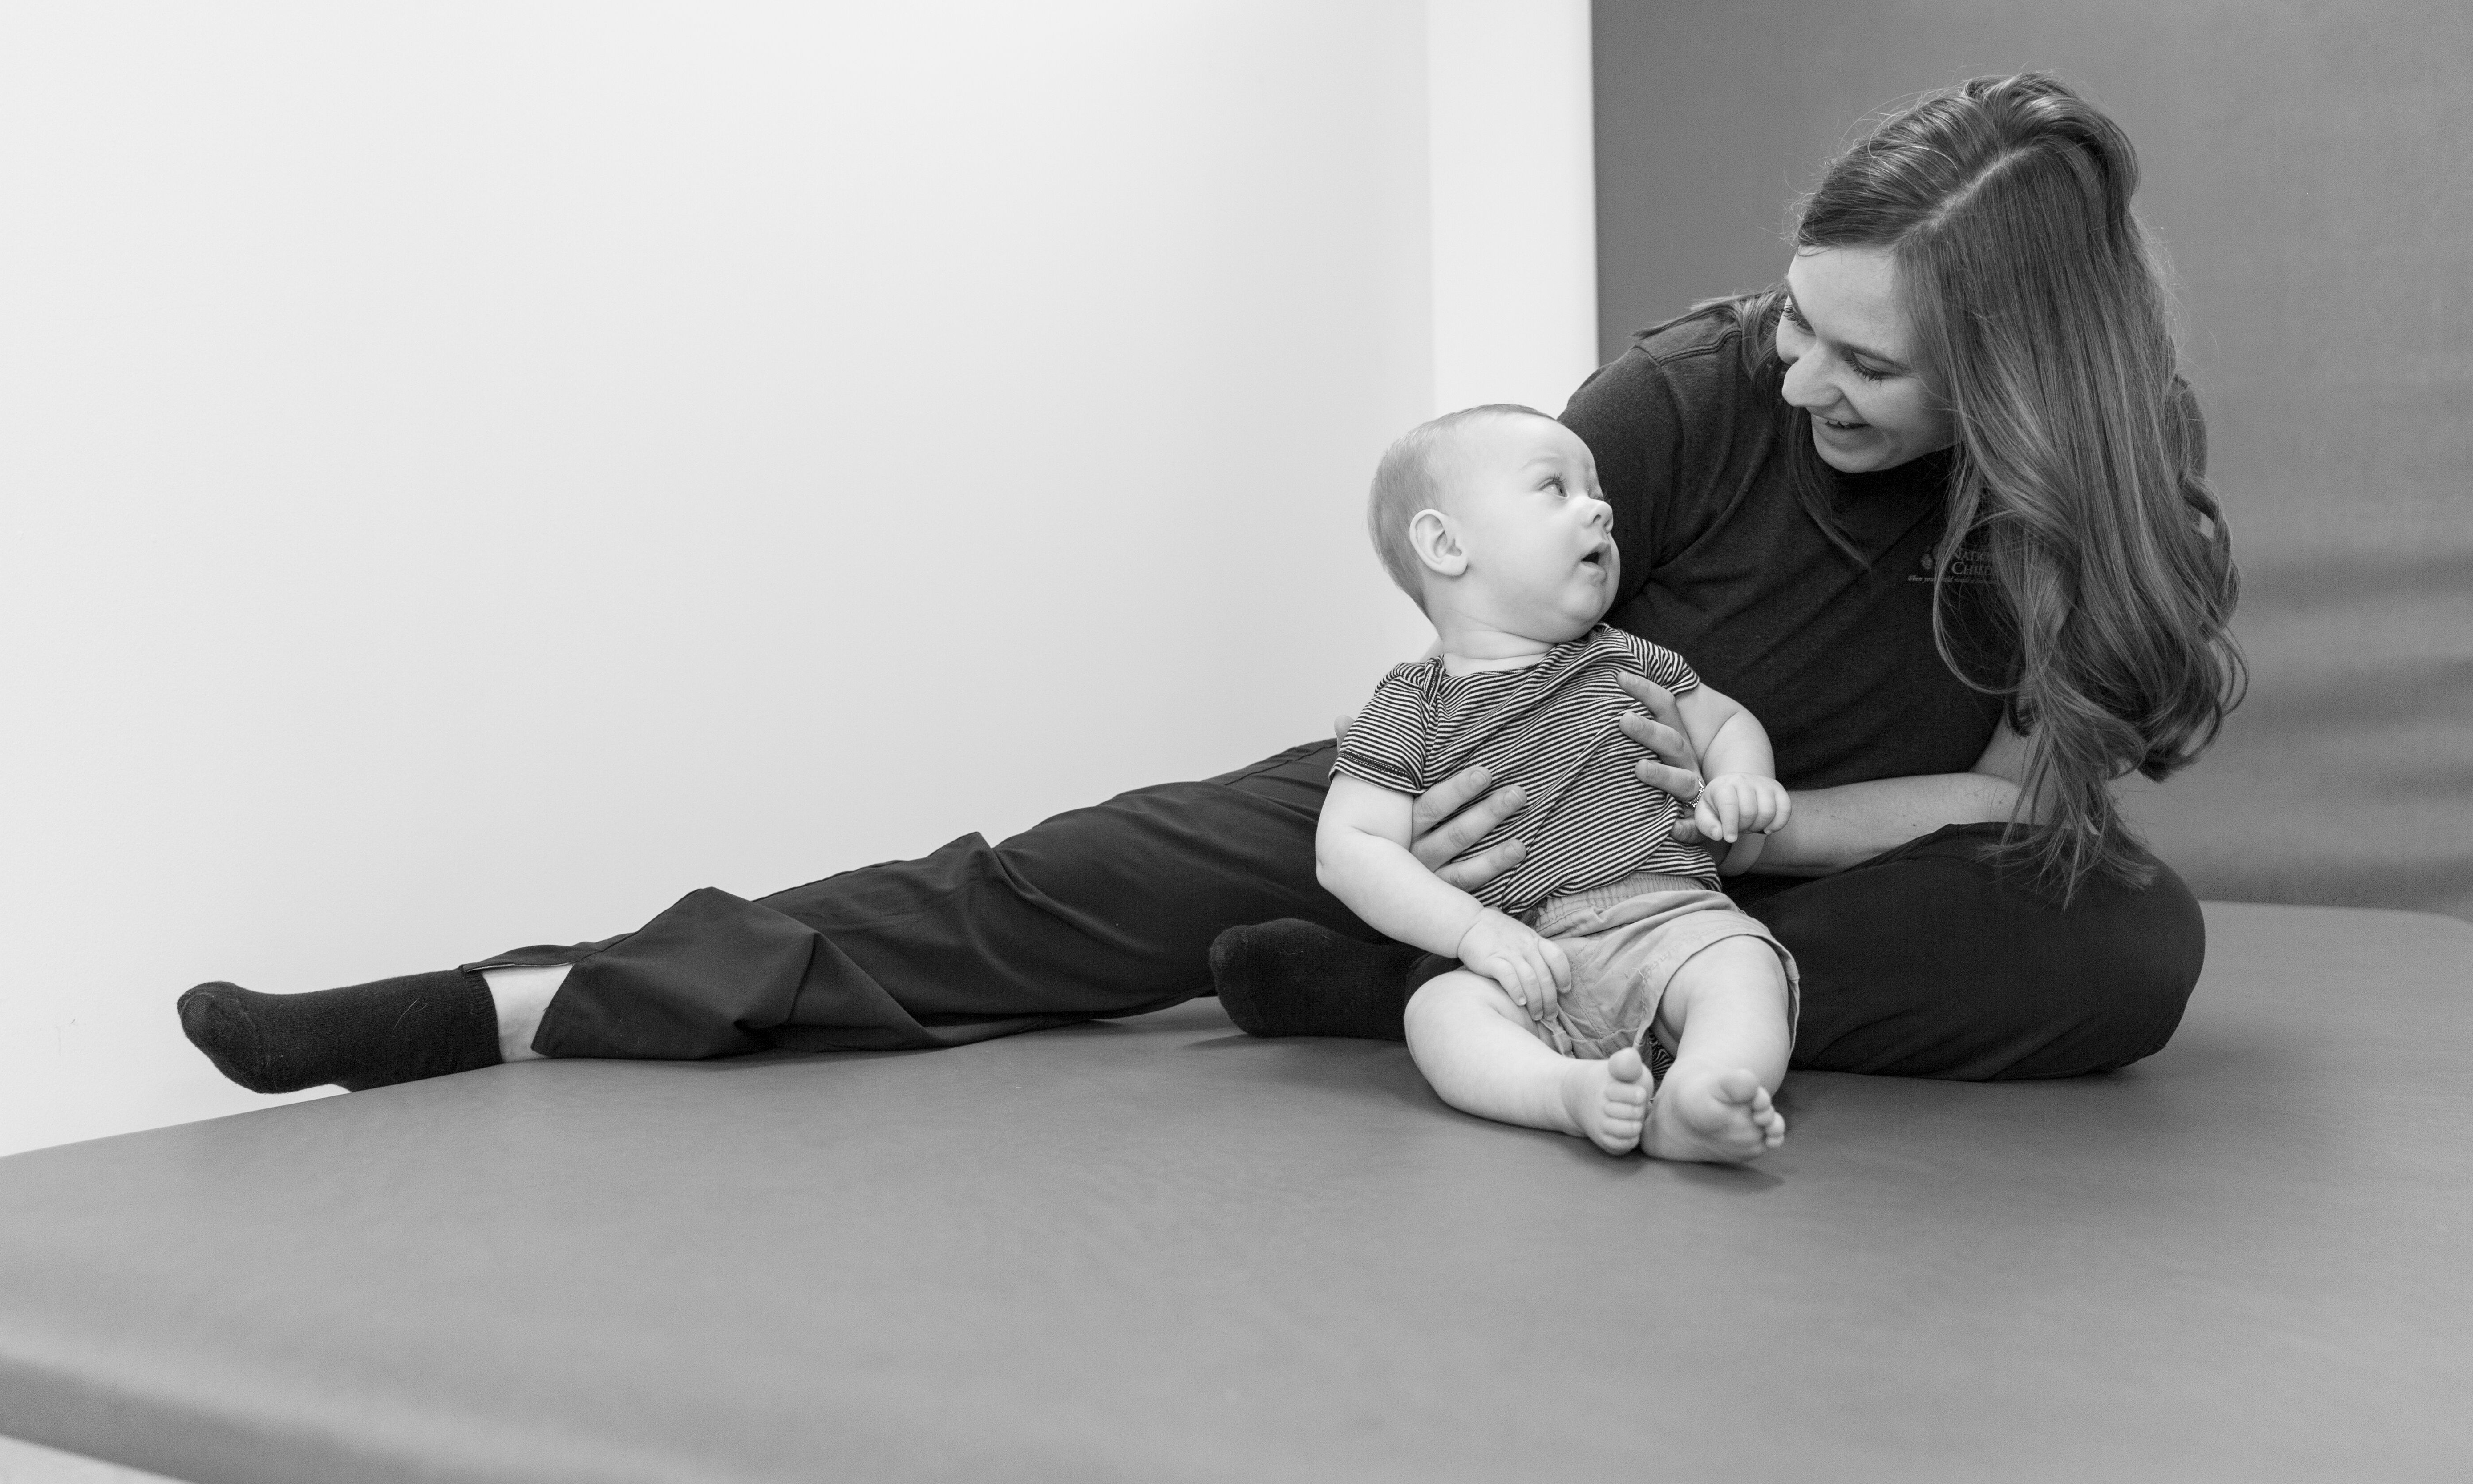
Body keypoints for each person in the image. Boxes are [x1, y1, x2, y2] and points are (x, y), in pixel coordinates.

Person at [176, 73, 2242, 1101]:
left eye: (1859, 359)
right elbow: (1471, 611)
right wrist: (1425, 829)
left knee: (2121, 945)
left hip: (1760, 886)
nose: (1800, 372)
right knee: (1044, 893)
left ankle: (1434, 1002)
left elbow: (2018, 805)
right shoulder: (1695, 396)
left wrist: (1917, 817)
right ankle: (510, 999)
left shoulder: (2106, 509)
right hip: (1496, 793)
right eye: (1797, 320)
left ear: (2014, 381)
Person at [1318, 404, 1797, 1163]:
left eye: (1596, 491)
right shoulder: (1411, 700)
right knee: (1442, 1014)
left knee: (1741, 964)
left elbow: (1728, 722)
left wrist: (1741, 785)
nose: (1600, 509)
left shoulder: (1629, 658)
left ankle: (1702, 1094)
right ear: (1446, 545)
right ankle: (1562, 1095)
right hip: (1522, 955)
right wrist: (1473, 933)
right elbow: (1347, 848)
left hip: (1667, 920)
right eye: (1556, 489)